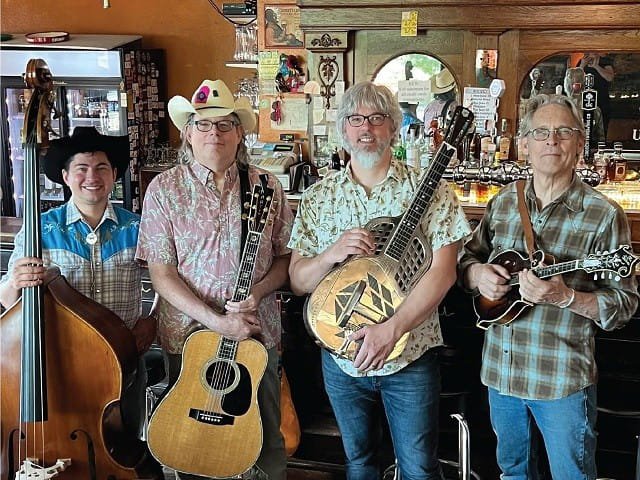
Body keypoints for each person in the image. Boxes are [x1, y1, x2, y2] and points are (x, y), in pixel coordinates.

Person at [288, 81, 471, 480]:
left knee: (419, 467)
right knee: (359, 462)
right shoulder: (319, 197)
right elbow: (299, 281)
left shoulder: (431, 189)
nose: (366, 128)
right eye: (355, 119)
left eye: (377, 118)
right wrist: (330, 254)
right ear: (343, 130)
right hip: (342, 358)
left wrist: (392, 329)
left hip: (409, 355)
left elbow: (443, 272)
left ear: (394, 127)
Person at [459, 94, 639, 480]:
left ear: (579, 144)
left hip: (561, 379)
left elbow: (623, 305)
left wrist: (566, 296)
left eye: (563, 132)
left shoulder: (605, 215)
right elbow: (467, 261)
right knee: (512, 473)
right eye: (541, 132)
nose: (551, 141)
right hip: (501, 374)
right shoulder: (504, 202)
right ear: (524, 144)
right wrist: (479, 275)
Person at [136, 79, 292, 480]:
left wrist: (256, 293)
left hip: (256, 336)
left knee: (264, 440)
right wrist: (217, 321)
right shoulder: (163, 190)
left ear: (240, 133)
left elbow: (286, 260)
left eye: (224, 124)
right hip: (189, 339)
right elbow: (161, 274)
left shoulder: (266, 186)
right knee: (193, 441)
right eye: (203, 125)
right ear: (188, 133)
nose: (214, 133)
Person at [0, 126, 158, 464]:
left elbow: (167, 282)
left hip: (123, 362)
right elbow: (7, 301)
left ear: (114, 174)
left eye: (102, 168)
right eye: (82, 169)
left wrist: (153, 319)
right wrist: (15, 281)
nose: (92, 177)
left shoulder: (138, 227)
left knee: (124, 446)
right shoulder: (40, 230)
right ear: (65, 176)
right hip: (58, 365)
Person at [578, 53, 614, 136]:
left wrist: (596, 66)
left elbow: (610, 77)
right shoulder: (581, 63)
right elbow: (574, 79)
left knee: (602, 124)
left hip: (601, 100)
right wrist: (582, 65)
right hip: (584, 100)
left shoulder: (605, 62)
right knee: (584, 124)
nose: (591, 55)